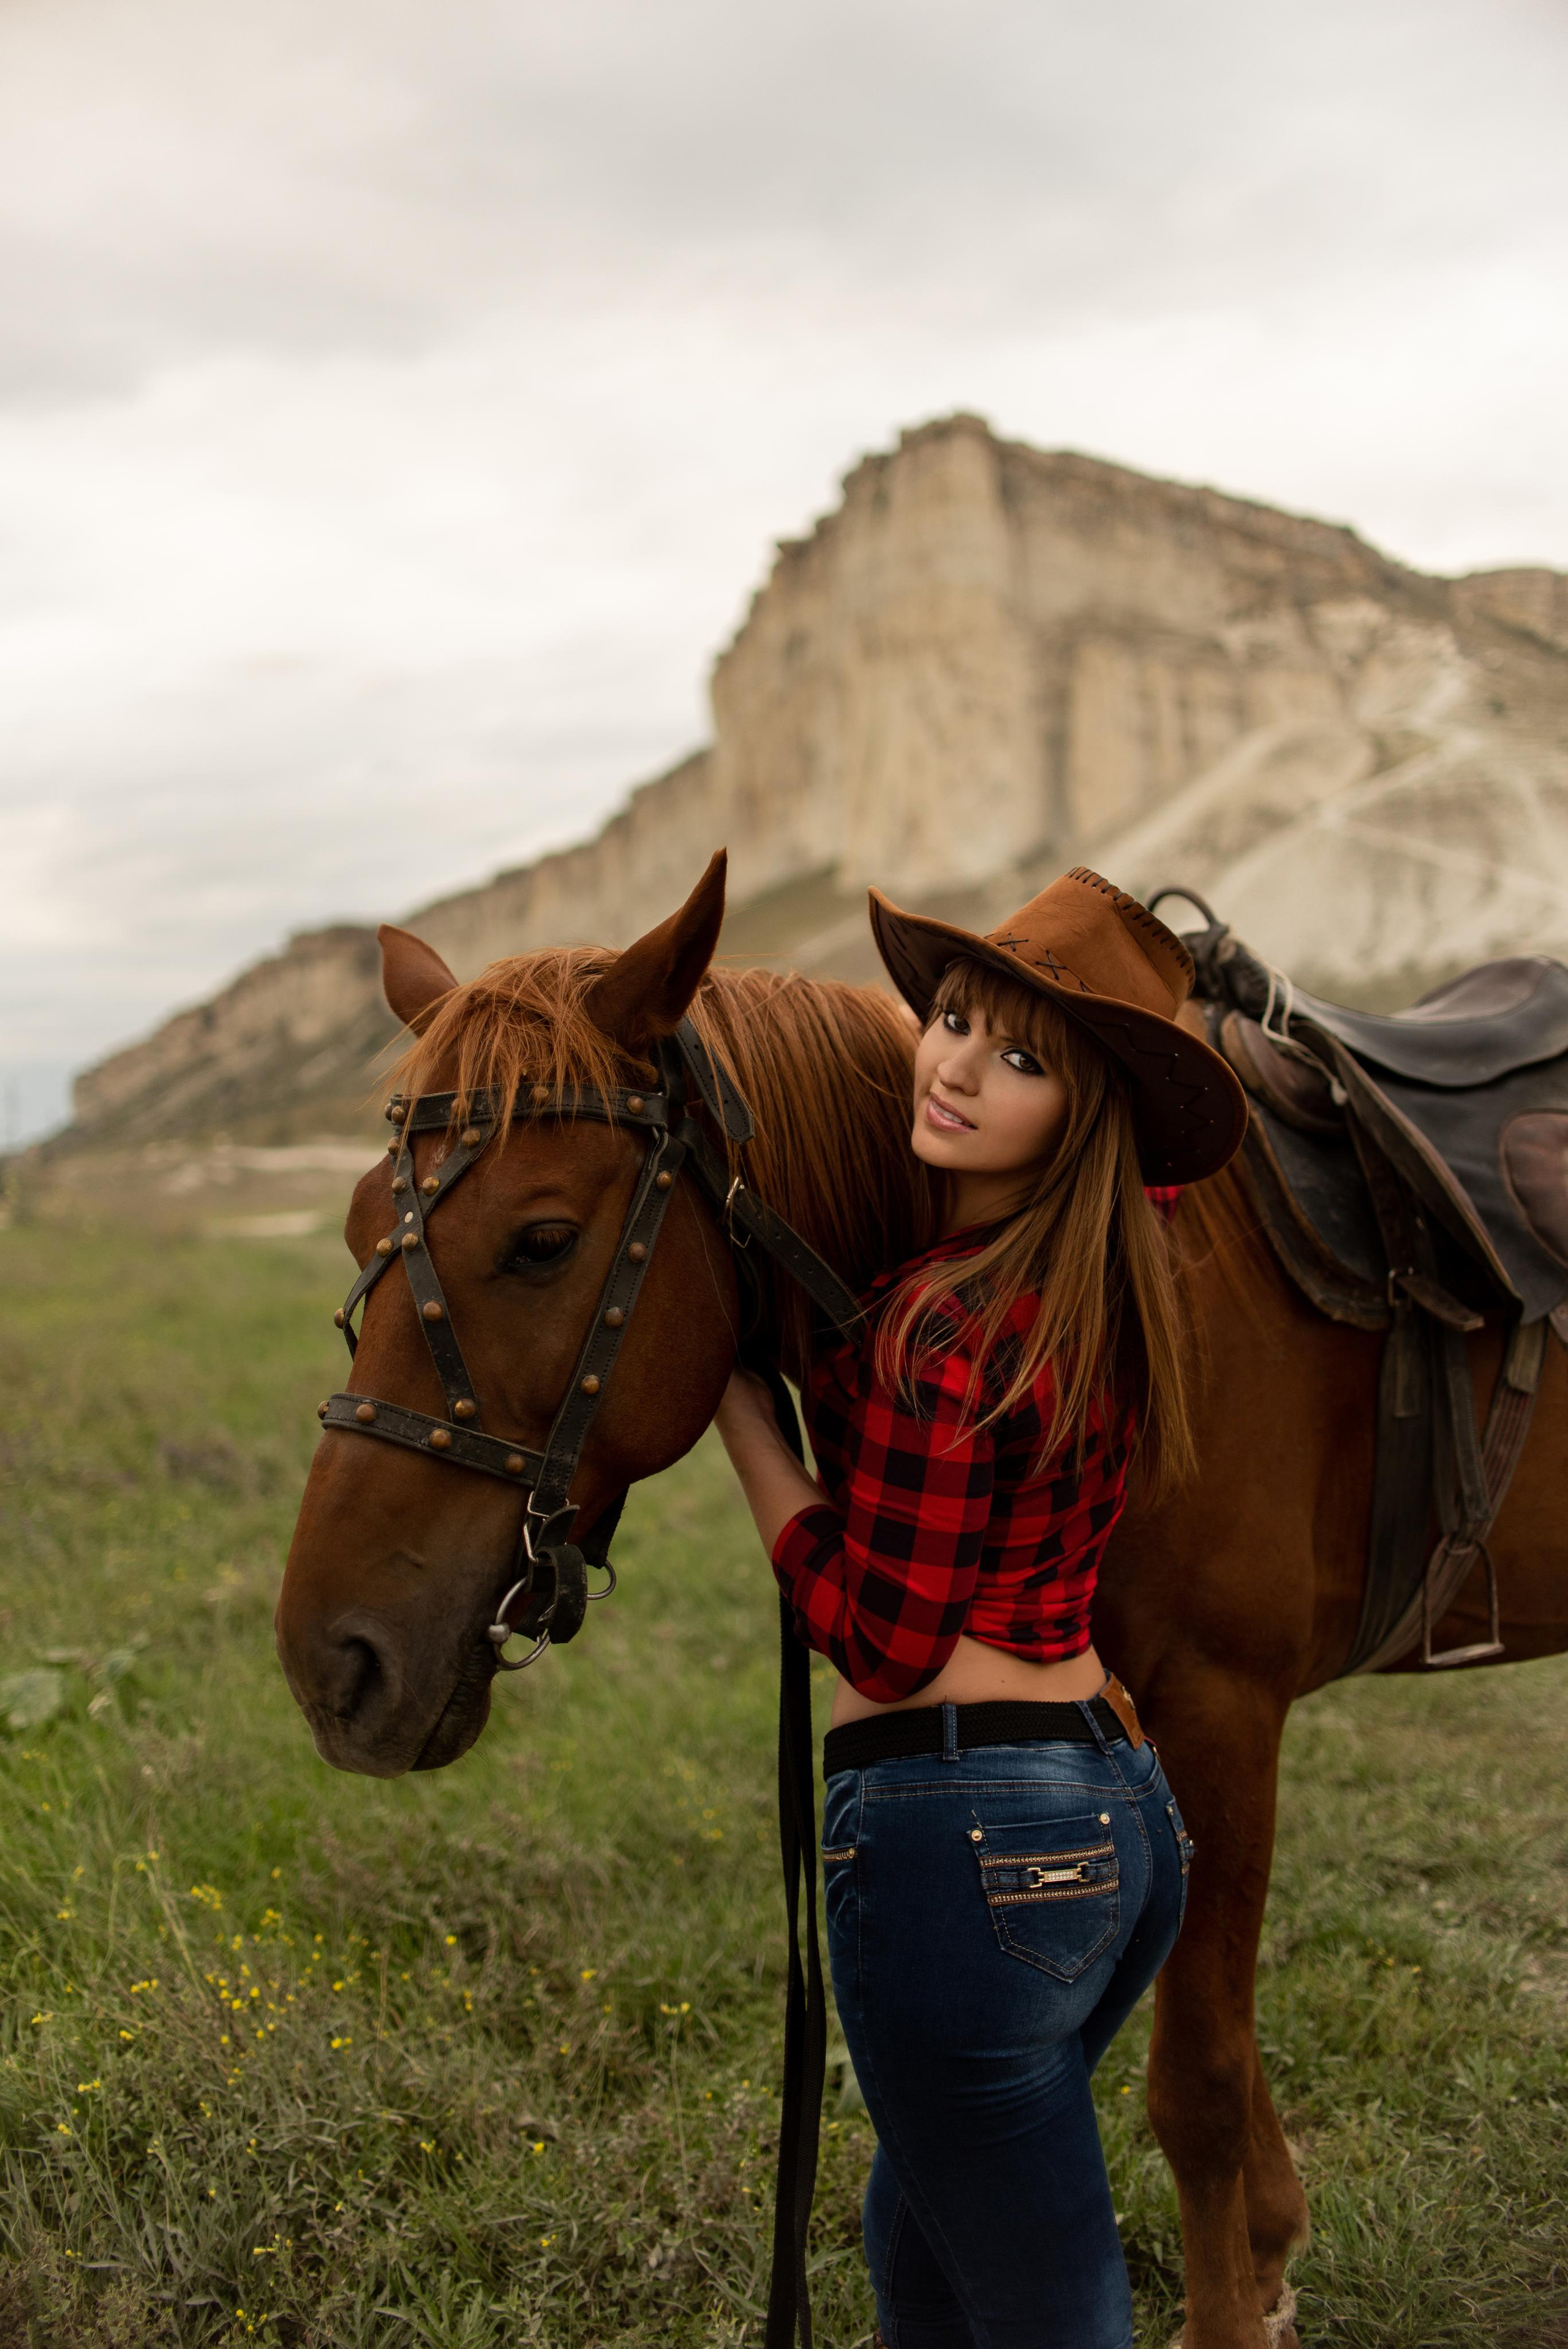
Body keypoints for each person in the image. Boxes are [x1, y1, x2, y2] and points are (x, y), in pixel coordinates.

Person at [714, 866, 1247, 2349]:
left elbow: (883, 1633)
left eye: (1020, 1060)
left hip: (962, 1838)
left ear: (1080, 1118)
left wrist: (749, 1433)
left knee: (1046, 2301)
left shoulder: (939, 1322)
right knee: (932, 2229)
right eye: (951, 1020)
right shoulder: (1091, 1305)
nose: (953, 1065)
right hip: (1113, 1814)